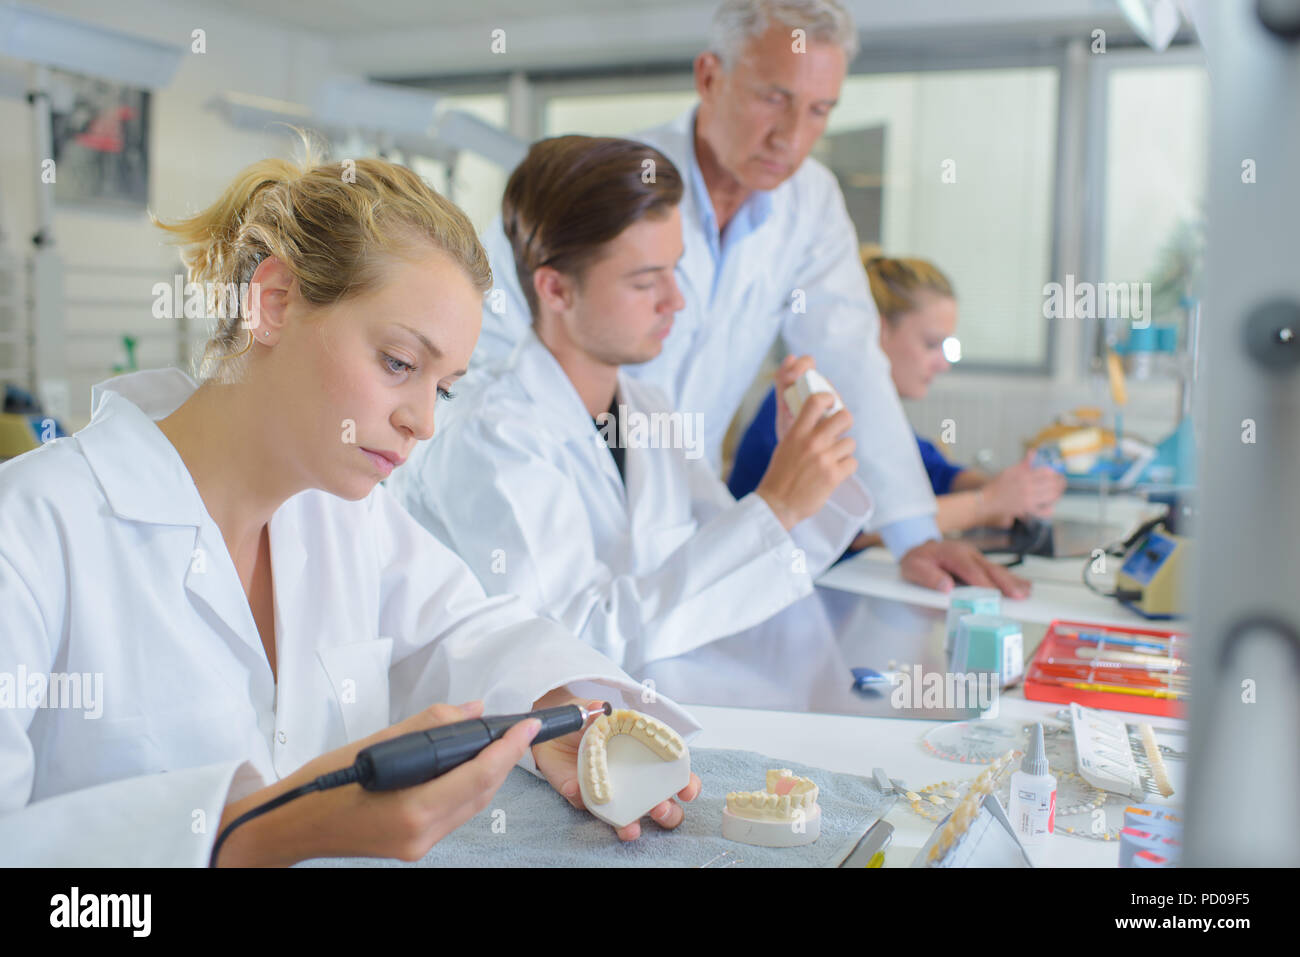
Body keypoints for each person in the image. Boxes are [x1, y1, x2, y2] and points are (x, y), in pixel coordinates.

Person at [0, 147, 701, 866]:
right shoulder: (30, 533)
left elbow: (467, 635)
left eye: (444, 386)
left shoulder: (343, 514)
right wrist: (267, 833)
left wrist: (557, 723)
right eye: (399, 363)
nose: (422, 422)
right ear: (273, 302)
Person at [472, 0, 1028, 598]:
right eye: (774, 98)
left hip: (680, 498)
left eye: (819, 111)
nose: (792, 136)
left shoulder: (809, 202)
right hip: (551, 493)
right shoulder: (607, 189)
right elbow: (483, 352)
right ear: (710, 77)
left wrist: (913, 532)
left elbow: (852, 360)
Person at [389, 136, 872, 671]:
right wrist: (776, 506)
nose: (676, 301)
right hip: (522, 738)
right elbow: (571, 641)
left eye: (675, 269)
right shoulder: (489, 432)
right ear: (556, 290)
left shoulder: (648, 410)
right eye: (646, 281)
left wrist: (801, 474)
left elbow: (740, 570)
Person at [729, 251, 1068, 548]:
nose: (943, 365)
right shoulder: (806, 405)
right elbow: (847, 527)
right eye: (931, 344)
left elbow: (925, 470)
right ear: (875, 332)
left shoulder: (874, 411)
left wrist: (1012, 487)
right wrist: (986, 502)